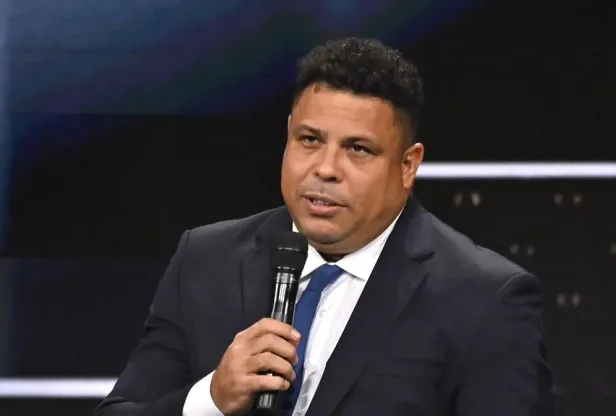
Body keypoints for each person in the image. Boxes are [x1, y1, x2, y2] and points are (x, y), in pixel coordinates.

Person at [95, 37, 554, 416]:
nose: (325, 169)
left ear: (407, 165)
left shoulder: (484, 299)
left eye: (358, 149)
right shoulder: (206, 258)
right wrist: (211, 400)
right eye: (310, 140)